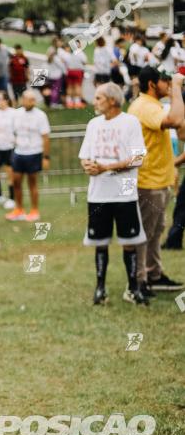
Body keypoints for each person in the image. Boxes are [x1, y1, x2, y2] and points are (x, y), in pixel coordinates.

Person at [79, 83, 148, 305]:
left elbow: (138, 159)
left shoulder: (130, 122)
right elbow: (85, 155)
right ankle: (100, 288)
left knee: (129, 241)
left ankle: (134, 288)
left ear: (112, 100)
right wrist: (87, 165)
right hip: (98, 194)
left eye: (99, 98)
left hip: (124, 193)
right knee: (100, 242)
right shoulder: (93, 124)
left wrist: (107, 168)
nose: (94, 102)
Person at [129, 68, 185, 294]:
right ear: (152, 84)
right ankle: (140, 280)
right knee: (145, 231)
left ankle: (153, 274)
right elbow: (175, 120)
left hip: (159, 179)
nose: (169, 84)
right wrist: (178, 89)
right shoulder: (145, 107)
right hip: (148, 181)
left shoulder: (151, 106)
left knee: (155, 229)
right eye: (165, 81)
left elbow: (180, 129)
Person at [6, 90, 50, 222]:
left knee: (32, 183)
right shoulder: (16, 114)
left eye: (33, 99)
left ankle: (34, 210)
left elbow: (46, 137)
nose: (32, 102)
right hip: (19, 152)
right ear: (23, 100)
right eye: (29, 99)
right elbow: (13, 132)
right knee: (16, 182)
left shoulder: (41, 115)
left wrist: (46, 157)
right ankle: (18, 209)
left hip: (34, 153)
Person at [63, 43, 87, 108]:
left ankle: (69, 102)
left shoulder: (68, 53)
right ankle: (77, 102)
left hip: (70, 71)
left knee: (70, 86)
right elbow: (85, 61)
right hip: (77, 71)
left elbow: (64, 61)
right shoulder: (80, 53)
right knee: (77, 86)